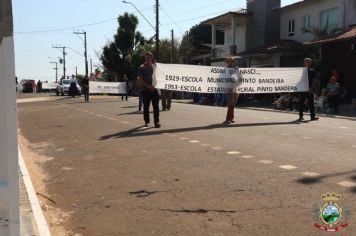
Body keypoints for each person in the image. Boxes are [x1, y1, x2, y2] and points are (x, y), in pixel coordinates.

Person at [137, 52, 160, 128]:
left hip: (154, 90)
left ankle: (156, 122)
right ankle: (146, 121)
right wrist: (148, 86)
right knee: (146, 107)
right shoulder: (141, 67)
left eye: (149, 58)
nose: (148, 59)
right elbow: (141, 79)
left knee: (156, 107)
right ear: (145, 58)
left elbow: (159, 77)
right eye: (146, 57)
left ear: (152, 58)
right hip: (145, 91)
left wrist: (156, 86)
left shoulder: (155, 67)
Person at [224, 57, 239, 123]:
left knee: (234, 103)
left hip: (235, 87)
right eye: (230, 61)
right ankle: (228, 118)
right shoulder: (225, 70)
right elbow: (222, 78)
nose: (231, 62)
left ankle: (231, 117)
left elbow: (239, 77)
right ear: (227, 62)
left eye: (232, 61)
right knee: (231, 102)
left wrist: (237, 71)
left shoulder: (235, 69)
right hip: (229, 87)